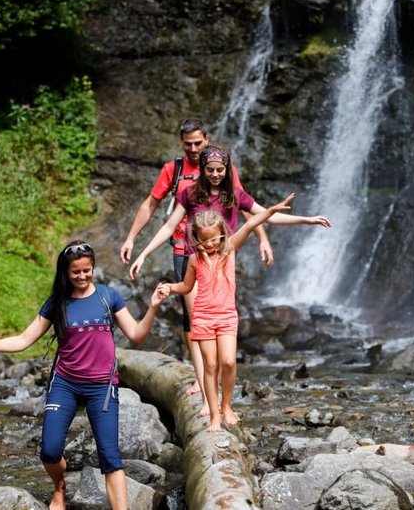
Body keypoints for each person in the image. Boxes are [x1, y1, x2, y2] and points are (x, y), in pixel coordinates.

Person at [0, 241, 168, 510]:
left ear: (93, 268)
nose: (82, 276)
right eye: (76, 272)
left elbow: (137, 335)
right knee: (49, 451)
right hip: (65, 384)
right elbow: (24, 340)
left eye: (87, 270)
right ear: (65, 273)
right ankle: (59, 487)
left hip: (101, 388)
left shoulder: (108, 296)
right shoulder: (57, 303)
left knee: (110, 457)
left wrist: (153, 307)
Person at [129, 144, 331, 416]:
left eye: (220, 170)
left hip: (223, 262)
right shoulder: (189, 193)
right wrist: (144, 253)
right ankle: (205, 399)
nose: (214, 174)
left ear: (227, 170)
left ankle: (223, 404)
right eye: (210, 170)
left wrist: (307, 220)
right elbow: (168, 226)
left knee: (222, 337)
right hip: (195, 261)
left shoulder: (234, 195)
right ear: (202, 169)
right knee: (198, 330)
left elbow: (263, 215)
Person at [119, 119, 272, 397]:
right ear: (181, 142)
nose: (192, 148)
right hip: (185, 249)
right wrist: (132, 239)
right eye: (187, 144)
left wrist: (263, 238)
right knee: (194, 318)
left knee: (216, 311)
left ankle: (211, 385)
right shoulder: (174, 170)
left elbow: (244, 205)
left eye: (198, 143)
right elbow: (152, 205)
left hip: (220, 253)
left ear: (207, 140)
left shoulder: (220, 168)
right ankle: (201, 381)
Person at [160, 195, 296, 432]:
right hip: (202, 316)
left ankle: (226, 405)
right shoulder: (193, 259)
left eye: (214, 238)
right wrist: (170, 288)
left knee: (229, 362)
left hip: (226, 316)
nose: (211, 244)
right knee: (210, 365)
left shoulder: (229, 249)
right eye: (205, 241)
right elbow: (186, 287)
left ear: (222, 234)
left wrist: (272, 209)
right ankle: (214, 416)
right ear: (197, 240)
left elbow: (251, 224)